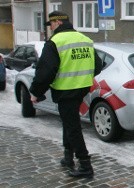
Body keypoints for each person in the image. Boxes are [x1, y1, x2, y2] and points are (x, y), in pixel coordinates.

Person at [30, 11, 102, 178]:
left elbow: (45, 72)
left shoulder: (55, 42)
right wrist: (83, 77)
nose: (51, 28)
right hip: (82, 88)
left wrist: (35, 92)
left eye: (52, 24)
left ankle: (85, 165)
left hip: (65, 89)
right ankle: (68, 157)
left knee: (72, 126)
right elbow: (97, 65)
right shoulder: (85, 39)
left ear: (58, 23)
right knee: (69, 121)